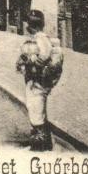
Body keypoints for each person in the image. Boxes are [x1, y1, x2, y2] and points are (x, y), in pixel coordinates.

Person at [16, 9, 64, 151]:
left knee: (36, 108)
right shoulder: (39, 38)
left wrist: (30, 63)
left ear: (31, 26)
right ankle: (44, 142)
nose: (27, 26)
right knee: (35, 107)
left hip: (38, 79)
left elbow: (44, 56)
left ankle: (40, 146)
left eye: (29, 24)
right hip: (36, 79)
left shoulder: (41, 39)